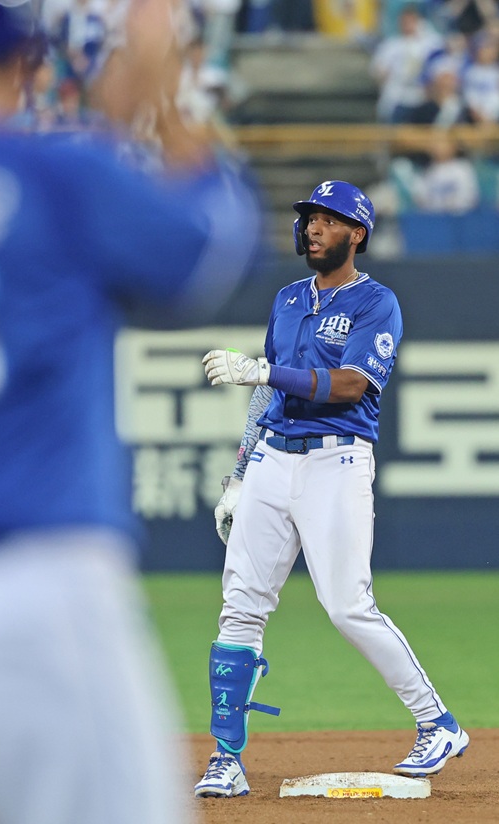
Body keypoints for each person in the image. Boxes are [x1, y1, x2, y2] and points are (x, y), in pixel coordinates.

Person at [0, 1, 262, 823]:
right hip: (35, 585)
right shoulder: (60, 175)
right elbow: (212, 246)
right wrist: (161, 114)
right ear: (23, 66)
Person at [194, 179, 469, 798]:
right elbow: (266, 393)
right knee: (240, 605)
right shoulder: (289, 298)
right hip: (272, 458)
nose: (313, 227)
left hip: (335, 461)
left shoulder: (377, 302)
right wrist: (240, 475)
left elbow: (351, 384)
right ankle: (227, 758)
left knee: (348, 605)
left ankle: (437, 722)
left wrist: (264, 370)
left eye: (328, 219)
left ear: (356, 234)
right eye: (309, 218)